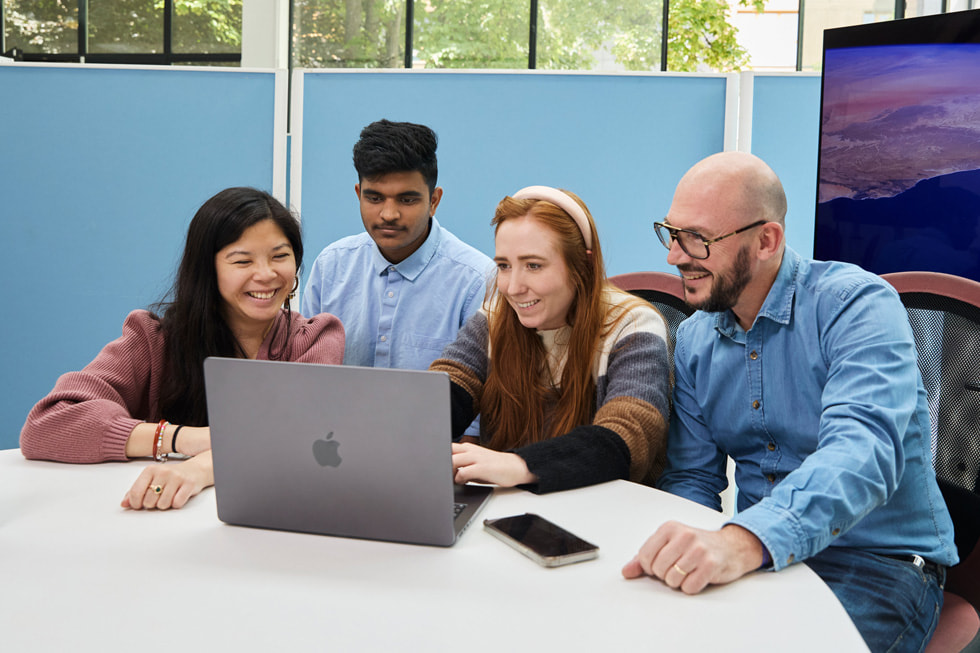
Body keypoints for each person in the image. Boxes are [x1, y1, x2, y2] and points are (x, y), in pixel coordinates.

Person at [621, 152, 957, 653]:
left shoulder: (856, 306)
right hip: (761, 558)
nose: (674, 257)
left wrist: (743, 540)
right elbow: (693, 478)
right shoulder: (693, 340)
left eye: (697, 239)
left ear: (766, 241)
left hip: (876, 564)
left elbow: (862, 454)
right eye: (671, 233)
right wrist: (682, 555)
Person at [20, 187, 345, 510]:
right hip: (157, 519)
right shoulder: (152, 339)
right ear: (207, 269)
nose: (266, 274)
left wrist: (200, 468)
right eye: (242, 261)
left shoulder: (314, 339)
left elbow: (299, 436)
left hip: (265, 517)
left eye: (280, 256)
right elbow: (48, 422)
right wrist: (183, 439)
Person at [432, 186, 671, 492]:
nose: (513, 288)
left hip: (608, 508)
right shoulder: (494, 317)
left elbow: (627, 436)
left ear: (582, 265)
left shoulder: (633, 324)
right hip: (512, 505)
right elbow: (449, 386)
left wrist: (520, 465)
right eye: (504, 266)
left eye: (533, 266)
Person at [301, 120, 493, 438]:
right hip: (333, 448)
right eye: (375, 198)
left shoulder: (476, 280)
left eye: (407, 199)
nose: (389, 214)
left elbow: (476, 423)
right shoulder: (331, 266)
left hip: (435, 453)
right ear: (358, 194)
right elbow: (304, 378)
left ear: (434, 201)